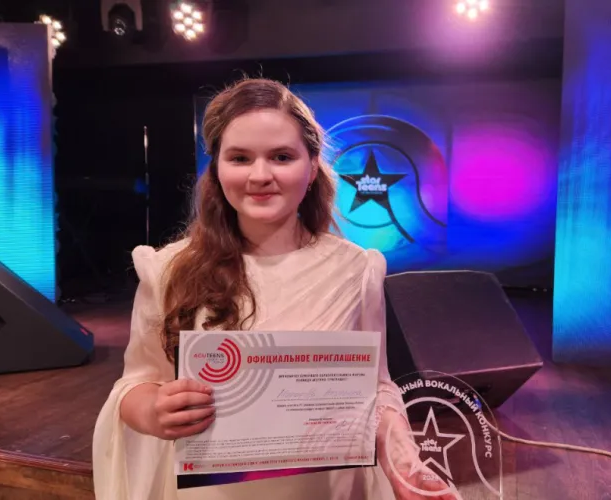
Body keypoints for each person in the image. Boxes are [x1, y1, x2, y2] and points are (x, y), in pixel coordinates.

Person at [92, 78, 457, 500]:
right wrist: (153, 411)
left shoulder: (357, 269)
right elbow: (134, 384)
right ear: (217, 168)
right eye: (240, 158)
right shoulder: (169, 269)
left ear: (312, 165)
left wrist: (404, 462)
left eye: (282, 157)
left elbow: (376, 388)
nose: (260, 175)